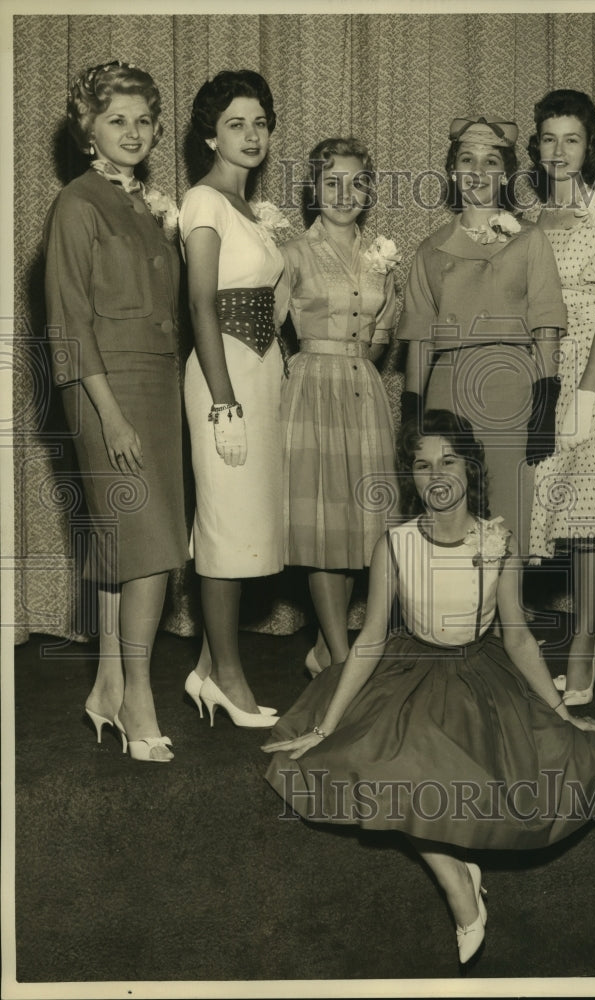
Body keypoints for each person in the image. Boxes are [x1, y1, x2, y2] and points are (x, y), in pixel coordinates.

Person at [262, 410, 595, 969]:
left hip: (480, 675)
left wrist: (562, 712)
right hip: (408, 670)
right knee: (393, 765)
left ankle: (462, 874)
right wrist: (325, 725)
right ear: (411, 477)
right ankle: (458, 884)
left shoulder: (498, 540)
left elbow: (519, 636)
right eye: (422, 464)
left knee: (512, 770)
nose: (436, 475)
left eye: (448, 461)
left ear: (470, 467)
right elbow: (370, 640)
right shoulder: (396, 545)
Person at [44, 61, 188, 762]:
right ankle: (138, 694)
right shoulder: (78, 202)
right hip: (106, 386)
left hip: (156, 384)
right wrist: (111, 415)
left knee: (129, 545)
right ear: (88, 129)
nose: (132, 133)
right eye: (115, 120)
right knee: (152, 546)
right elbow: (69, 322)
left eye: (142, 120)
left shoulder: (144, 205)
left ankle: (106, 684)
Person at [397, 116, 567, 559]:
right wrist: (412, 416)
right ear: (453, 170)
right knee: (450, 501)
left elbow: (546, 324)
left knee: (510, 503)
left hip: (512, 388)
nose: (477, 171)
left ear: (506, 172)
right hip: (447, 390)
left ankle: (512, 621)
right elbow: (418, 338)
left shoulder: (531, 240)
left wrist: (546, 401)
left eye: (491, 161)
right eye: (467, 160)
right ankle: (456, 620)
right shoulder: (430, 248)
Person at [179, 69, 289, 728]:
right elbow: (199, 301)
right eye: (235, 125)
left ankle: (203, 666)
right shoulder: (203, 202)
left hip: (262, 372)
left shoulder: (251, 210)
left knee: (243, 526)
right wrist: (222, 401)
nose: (250, 136)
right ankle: (226, 676)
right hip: (223, 377)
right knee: (223, 529)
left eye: (259, 123)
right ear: (209, 136)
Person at [525, 90, 595, 704]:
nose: (559, 151)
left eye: (571, 139)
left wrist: (587, 397)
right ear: (536, 148)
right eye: (548, 138)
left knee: (591, 517)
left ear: (589, 147)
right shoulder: (531, 221)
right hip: (547, 374)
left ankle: (582, 654)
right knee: (562, 515)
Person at [278, 137, 399, 675]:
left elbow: (381, 335)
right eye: (332, 183)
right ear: (312, 189)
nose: (344, 194)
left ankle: (326, 649)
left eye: (356, 183)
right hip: (312, 390)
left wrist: (358, 363)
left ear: (369, 190)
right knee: (323, 525)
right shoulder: (291, 253)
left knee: (357, 526)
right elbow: (263, 331)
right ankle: (342, 658)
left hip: (362, 389)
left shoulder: (381, 257)